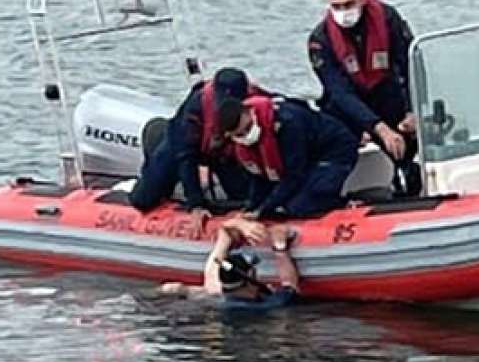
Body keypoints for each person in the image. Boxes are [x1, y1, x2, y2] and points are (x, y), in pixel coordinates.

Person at [307, 0, 422, 196]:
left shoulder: (387, 19)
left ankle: (409, 178)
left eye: (348, 4)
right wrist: (378, 128)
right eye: (336, 6)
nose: (343, 12)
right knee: (338, 131)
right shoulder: (320, 41)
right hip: (348, 107)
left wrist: (412, 109)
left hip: (385, 94)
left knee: (408, 133)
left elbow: (408, 64)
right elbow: (340, 92)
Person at [128, 68, 263, 220]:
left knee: (243, 196)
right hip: (184, 146)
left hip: (224, 153)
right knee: (143, 200)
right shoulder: (195, 107)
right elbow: (186, 157)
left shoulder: (259, 102)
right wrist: (196, 204)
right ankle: (157, 138)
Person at [215, 95, 357, 219]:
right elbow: (259, 177)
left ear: (250, 112)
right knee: (285, 203)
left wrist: (265, 208)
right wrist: (253, 206)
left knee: (300, 205)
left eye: (248, 127)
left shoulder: (287, 123)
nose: (247, 135)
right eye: (240, 134)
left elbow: (294, 175)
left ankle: (348, 203)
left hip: (334, 150)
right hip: (308, 158)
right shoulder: (245, 145)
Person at [159, 216, 300, 311]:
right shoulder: (271, 304)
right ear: (250, 275)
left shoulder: (212, 292)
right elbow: (290, 283)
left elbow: (224, 234)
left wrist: (242, 225)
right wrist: (280, 246)